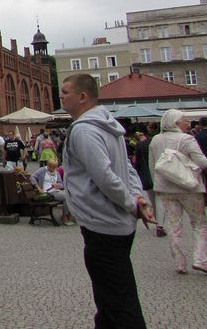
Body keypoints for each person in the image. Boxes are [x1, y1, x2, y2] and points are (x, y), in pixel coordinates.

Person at [61, 74, 153, 329]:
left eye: (65, 92)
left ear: (82, 97)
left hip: (103, 224)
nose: (60, 96)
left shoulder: (84, 131)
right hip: (115, 223)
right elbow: (128, 170)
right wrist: (137, 198)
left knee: (119, 305)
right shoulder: (109, 126)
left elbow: (105, 177)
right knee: (111, 301)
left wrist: (132, 203)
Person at [149, 109, 207, 275]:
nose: (187, 123)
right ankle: (200, 259)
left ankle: (180, 263)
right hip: (189, 188)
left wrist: (157, 185)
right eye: (184, 120)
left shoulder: (155, 140)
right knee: (199, 223)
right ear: (176, 122)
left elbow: (152, 165)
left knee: (174, 226)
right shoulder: (187, 139)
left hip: (166, 188)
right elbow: (201, 162)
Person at [134, 126, 166, 238]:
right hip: (157, 173)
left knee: (153, 199)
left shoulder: (139, 146)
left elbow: (137, 163)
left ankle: (159, 224)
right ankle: (160, 225)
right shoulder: (155, 143)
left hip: (145, 175)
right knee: (159, 200)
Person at [30, 157, 74, 225]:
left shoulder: (56, 172)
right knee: (67, 197)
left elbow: (61, 184)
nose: (53, 169)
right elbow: (32, 177)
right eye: (51, 167)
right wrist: (38, 188)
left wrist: (57, 185)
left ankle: (69, 215)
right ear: (48, 165)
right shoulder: (42, 170)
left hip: (55, 191)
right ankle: (64, 216)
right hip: (47, 193)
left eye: (55, 167)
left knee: (71, 195)